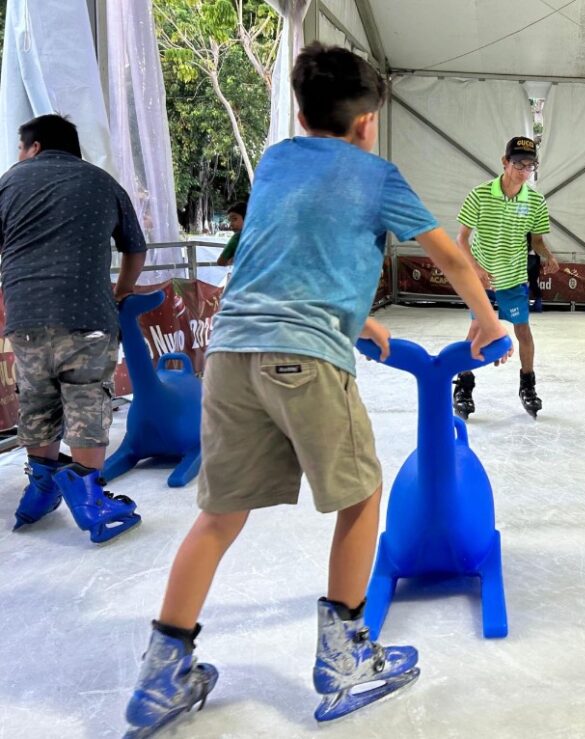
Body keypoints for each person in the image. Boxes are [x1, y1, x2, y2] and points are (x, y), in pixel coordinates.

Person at [122, 44, 507, 736]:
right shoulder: (376, 173)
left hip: (232, 350)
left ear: (299, 116)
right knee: (361, 496)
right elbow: (447, 253)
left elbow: (288, 248)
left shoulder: (274, 161)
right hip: (305, 358)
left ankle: (160, 676)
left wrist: (360, 316)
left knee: (219, 514)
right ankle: (344, 661)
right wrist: (486, 319)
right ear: (367, 124)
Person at [0, 113, 146, 543]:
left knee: (37, 401)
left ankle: (41, 491)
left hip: (25, 317)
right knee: (87, 400)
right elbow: (134, 248)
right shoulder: (102, 182)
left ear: (36, 146)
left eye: (21, 147)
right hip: (87, 315)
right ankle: (89, 498)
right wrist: (121, 291)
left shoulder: (8, 183)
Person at [454, 136, 560, 419]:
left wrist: (548, 255)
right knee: (477, 330)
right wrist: (475, 268)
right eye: (519, 164)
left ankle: (527, 384)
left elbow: (536, 240)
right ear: (504, 162)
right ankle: (464, 385)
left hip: (513, 278)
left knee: (523, 331)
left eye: (530, 165)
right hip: (482, 278)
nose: (524, 171)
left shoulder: (535, 201)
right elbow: (461, 240)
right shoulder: (480, 194)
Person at [215, 200, 247, 267]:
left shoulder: (237, 237)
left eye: (235, 219)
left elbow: (220, 262)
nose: (231, 224)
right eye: (230, 221)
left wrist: (232, 260)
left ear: (247, 218)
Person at [526, 232, 544, 312]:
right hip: (535, 259)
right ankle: (538, 304)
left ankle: (525, 304)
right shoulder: (536, 233)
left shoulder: (525, 231)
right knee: (533, 282)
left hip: (527, 257)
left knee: (523, 281)